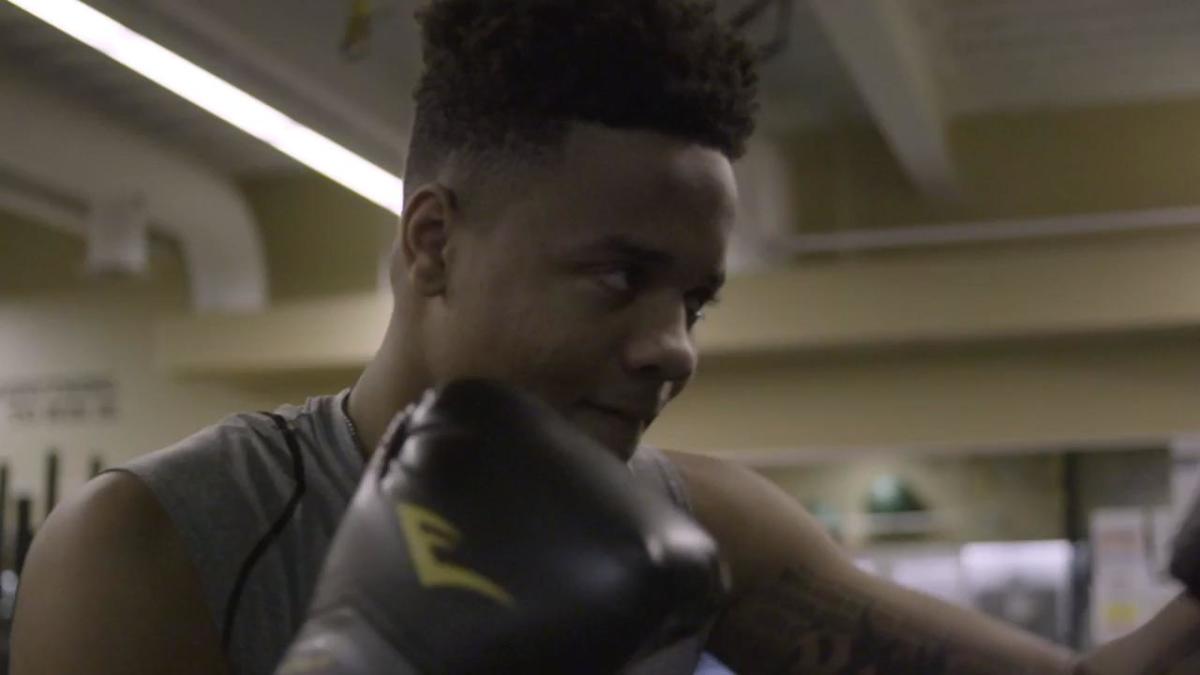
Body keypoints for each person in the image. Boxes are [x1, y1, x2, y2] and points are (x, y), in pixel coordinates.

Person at [10, 1, 1200, 673]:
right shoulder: (156, 545)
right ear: (434, 241)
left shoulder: (697, 525)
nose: (674, 348)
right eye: (621, 277)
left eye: (695, 301)